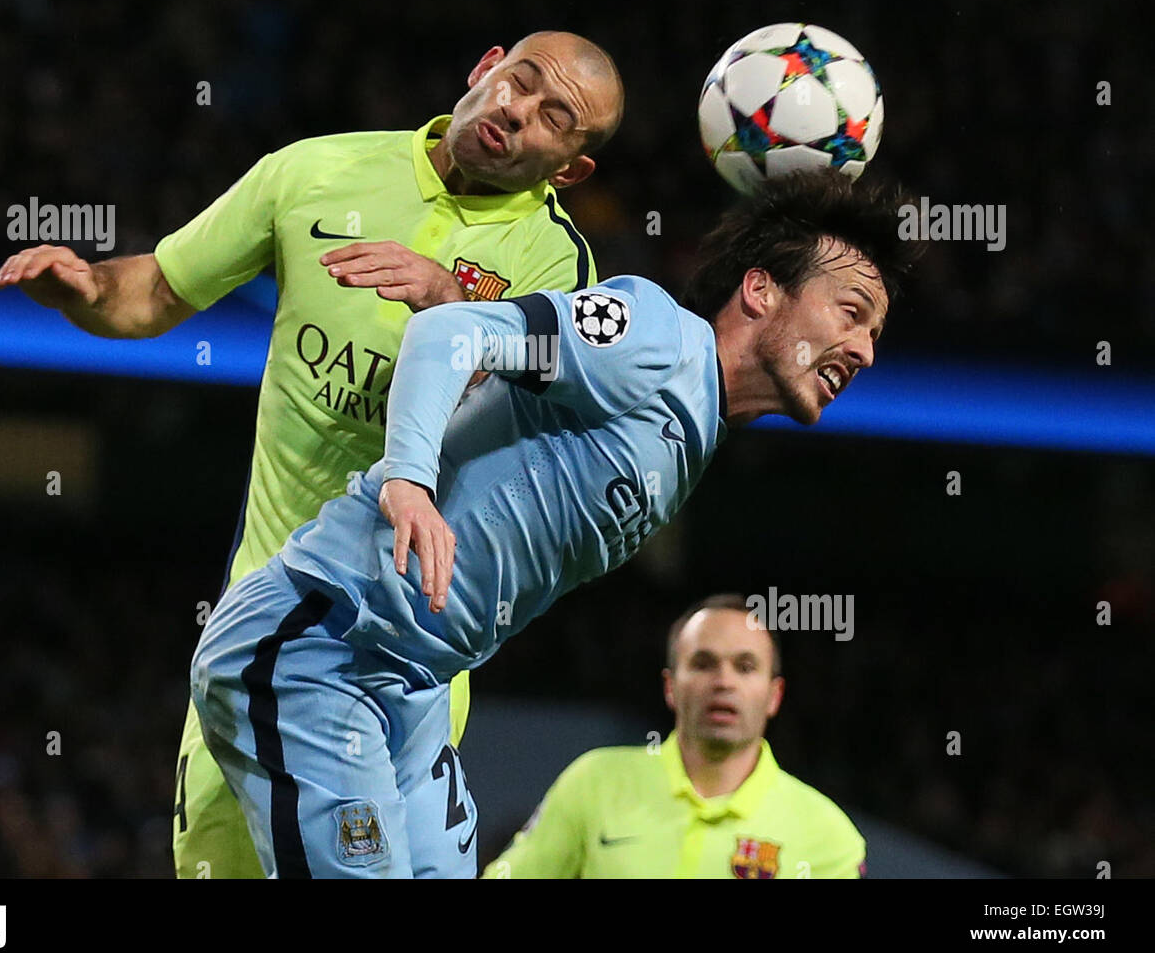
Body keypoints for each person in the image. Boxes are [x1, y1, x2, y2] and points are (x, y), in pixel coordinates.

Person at [0, 31, 625, 878]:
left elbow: (546, 438)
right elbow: (152, 294)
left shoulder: (560, 268)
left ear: (570, 170)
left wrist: (453, 304)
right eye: (520, 81)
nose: (517, 110)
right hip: (254, 632)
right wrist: (86, 289)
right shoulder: (314, 172)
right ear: (484, 67)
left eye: (556, 117)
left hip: (404, 659)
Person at [190, 171, 921, 877]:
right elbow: (451, 334)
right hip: (324, 643)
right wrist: (408, 479)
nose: (864, 349)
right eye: (851, 312)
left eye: (876, 333)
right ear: (760, 289)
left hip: (410, 688)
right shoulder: (659, 339)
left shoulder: (695, 429)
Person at [483, 594, 866, 878]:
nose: (723, 682)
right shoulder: (595, 783)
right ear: (670, 686)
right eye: (703, 663)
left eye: (745, 667)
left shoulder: (828, 836)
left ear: (774, 694)